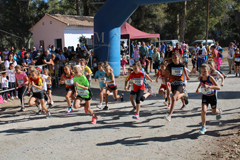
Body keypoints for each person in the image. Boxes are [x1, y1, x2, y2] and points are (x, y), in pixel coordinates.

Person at [196, 64, 222, 134]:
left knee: (213, 112)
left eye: (205, 71)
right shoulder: (200, 78)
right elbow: (201, 83)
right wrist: (197, 88)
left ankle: (219, 111)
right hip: (205, 96)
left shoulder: (211, 78)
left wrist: (209, 87)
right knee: (203, 110)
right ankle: (203, 127)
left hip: (212, 96)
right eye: (202, 71)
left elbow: (218, 87)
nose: (203, 73)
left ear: (209, 71)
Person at [164, 53, 190, 122]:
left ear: (179, 57)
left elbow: (184, 70)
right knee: (176, 98)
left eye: (175, 57)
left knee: (173, 97)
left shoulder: (182, 65)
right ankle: (184, 94)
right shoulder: (170, 65)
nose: (174, 59)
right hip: (172, 83)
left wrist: (187, 76)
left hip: (180, 83)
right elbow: (166, 73)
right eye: (173, 58)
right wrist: (166, 80)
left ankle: (169, 115)